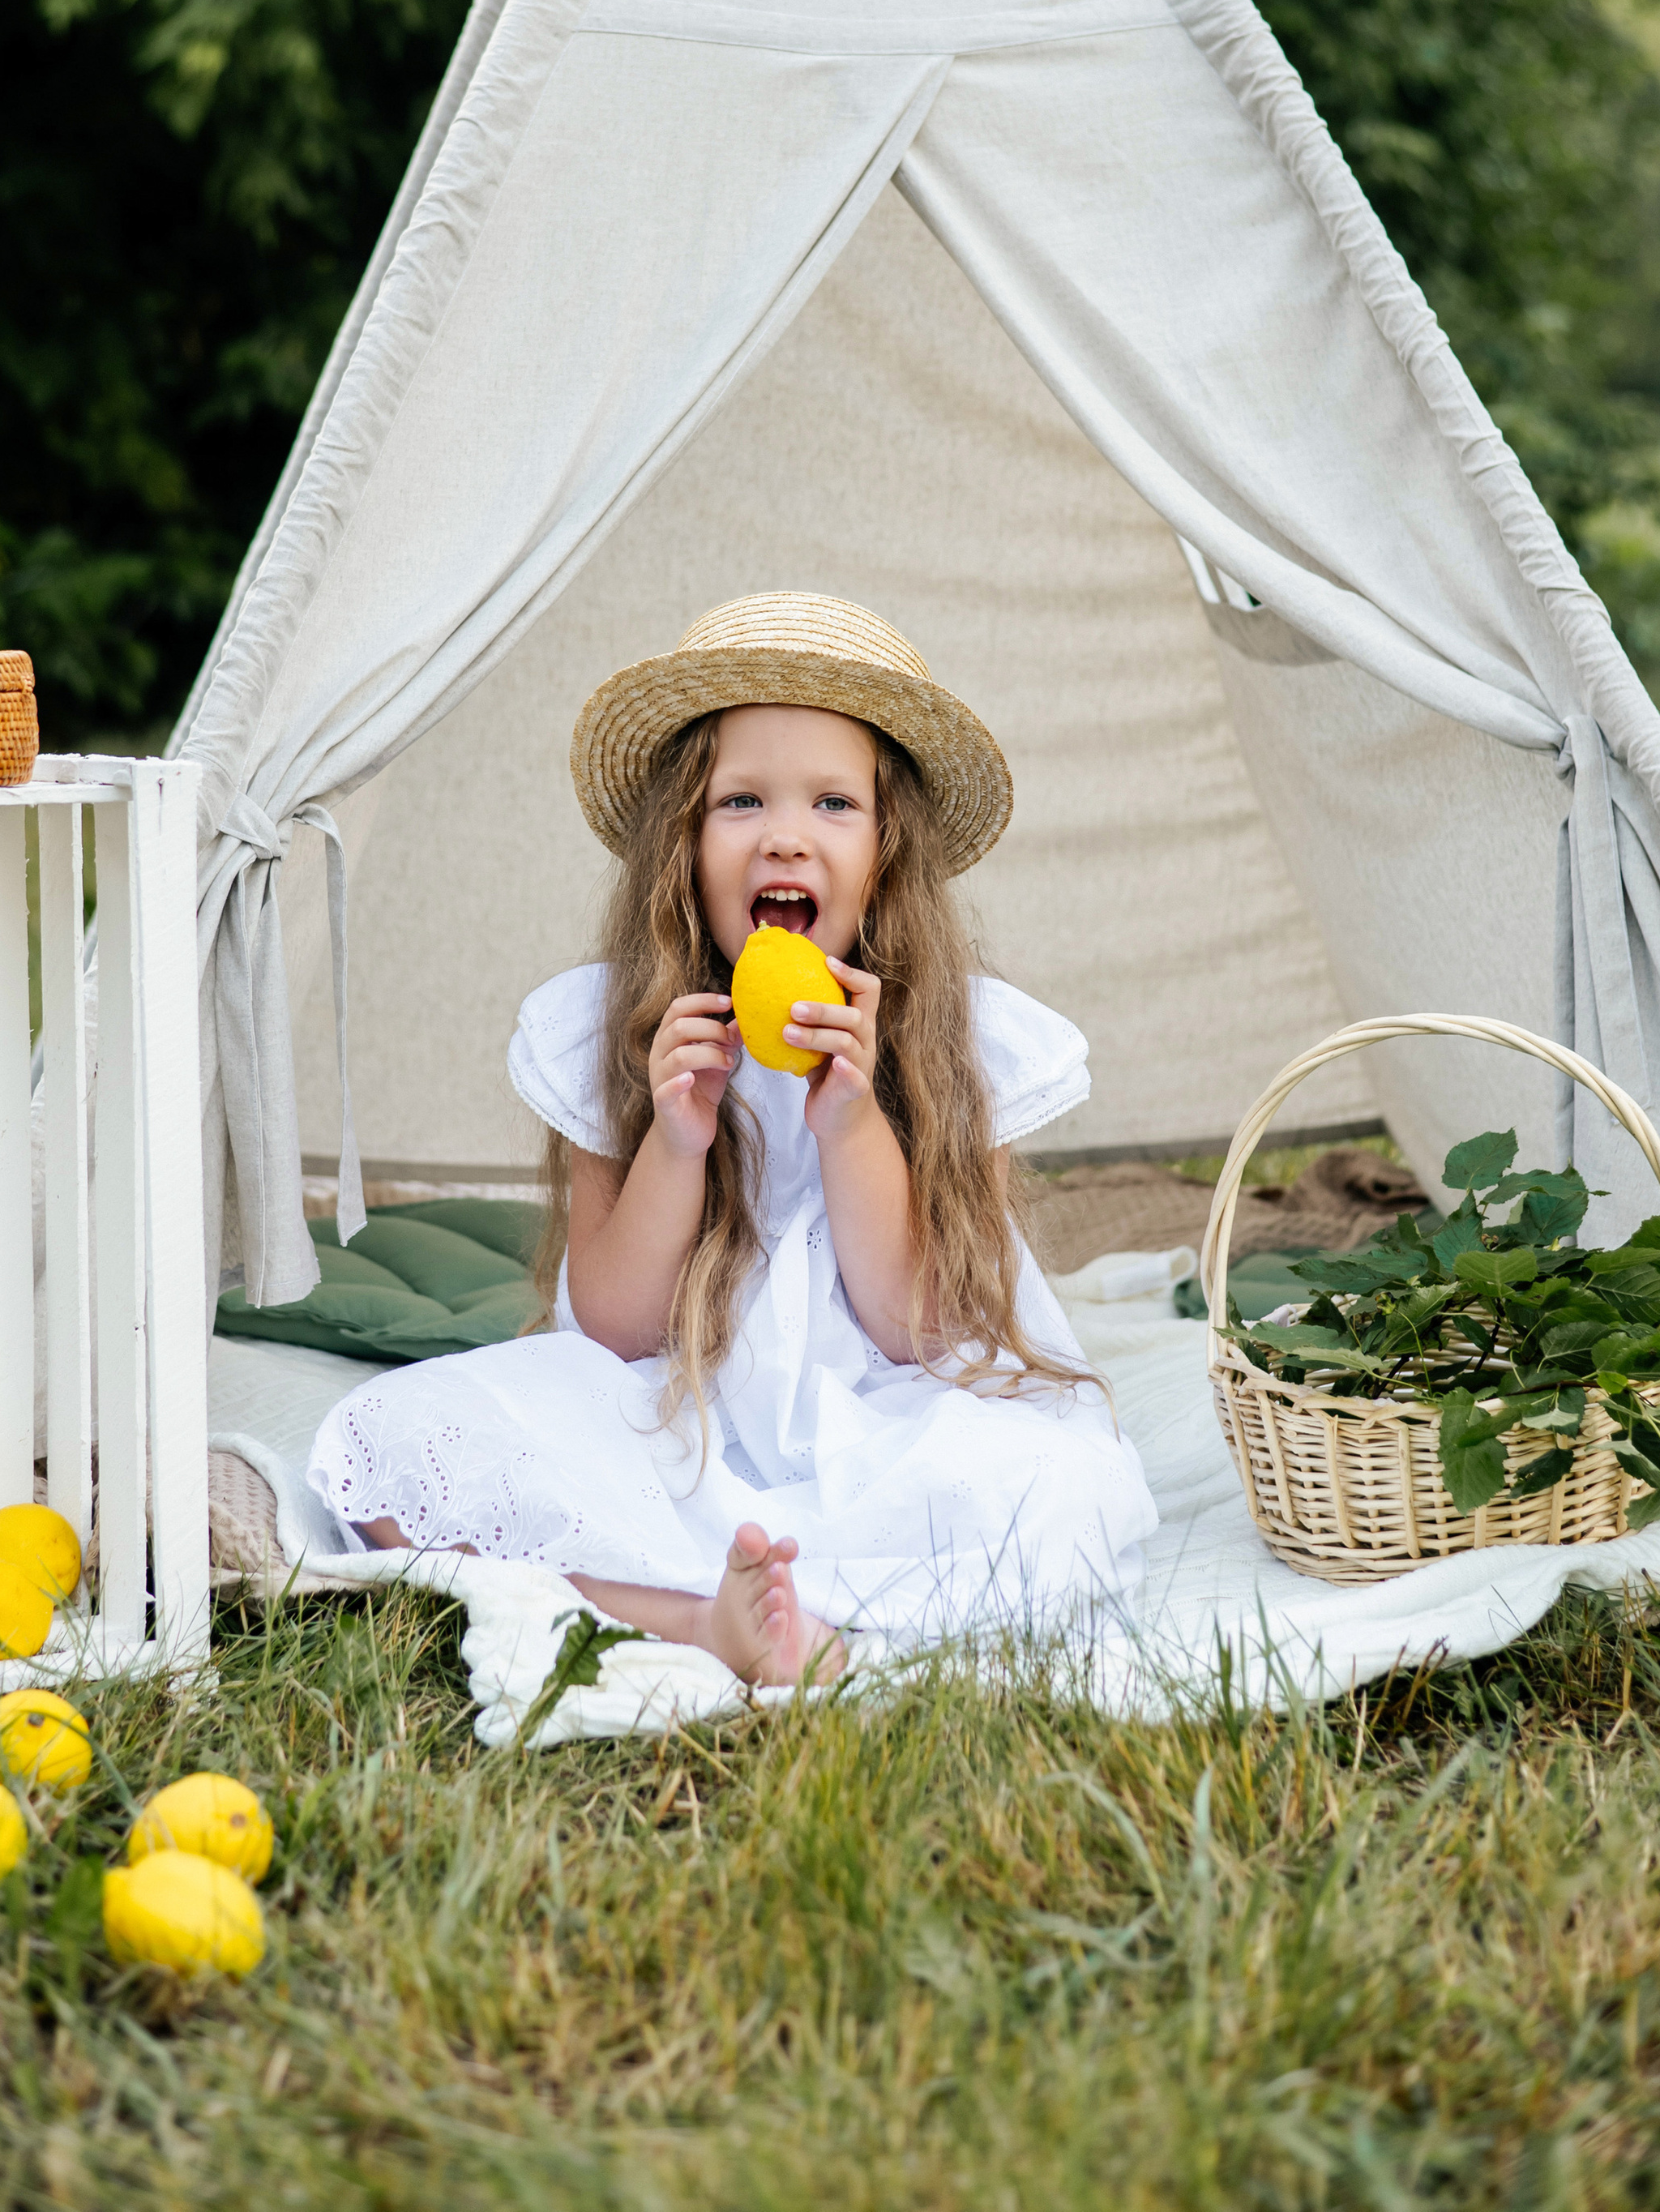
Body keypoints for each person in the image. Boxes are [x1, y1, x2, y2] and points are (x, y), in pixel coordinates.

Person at [306, 593, 1157, 1685]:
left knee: (1058, 1487)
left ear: (887, 856)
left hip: (890, 1417)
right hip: (677, 1414)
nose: (784, 834)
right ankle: (709, 1619)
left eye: (834, 803)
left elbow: (923, 1332)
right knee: (391, 1440)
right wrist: (675, 1137)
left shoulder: (962, 1042)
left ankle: (803, 1614)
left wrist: (853, 1121)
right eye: (740, 800)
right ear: (684, 851)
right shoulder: (614, 1028)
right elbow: (614, 1326)